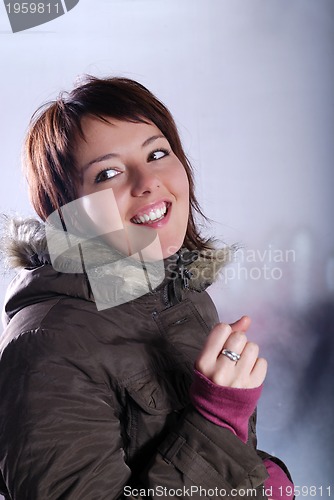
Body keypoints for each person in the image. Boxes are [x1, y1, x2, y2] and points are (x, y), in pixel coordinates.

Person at [0, 76, 294, 499]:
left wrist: (262, 476)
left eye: (157, 153)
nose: (148, 181)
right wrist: (218, 421)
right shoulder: (45, 345)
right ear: (65, 213)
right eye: (108, 173)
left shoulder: (187, 298)